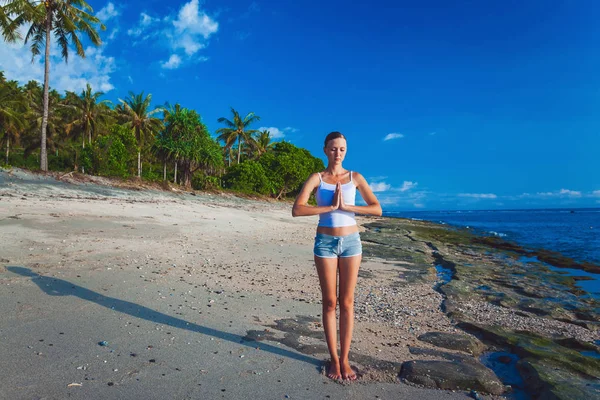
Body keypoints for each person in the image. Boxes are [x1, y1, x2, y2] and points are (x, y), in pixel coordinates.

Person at [292, 131, 382, 381]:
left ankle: (345, 359)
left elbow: (377, 209)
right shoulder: (317, 178)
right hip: (325, 243)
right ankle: (333, 359)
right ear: (325, 150)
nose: (338, 153)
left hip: (351, 242)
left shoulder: (355, 177)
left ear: (346, 151)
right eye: (333, 149)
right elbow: (297, 210)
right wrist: (330, 207)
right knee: (330, 302)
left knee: (348, 302)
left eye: (342, 149)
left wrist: (346, 207)